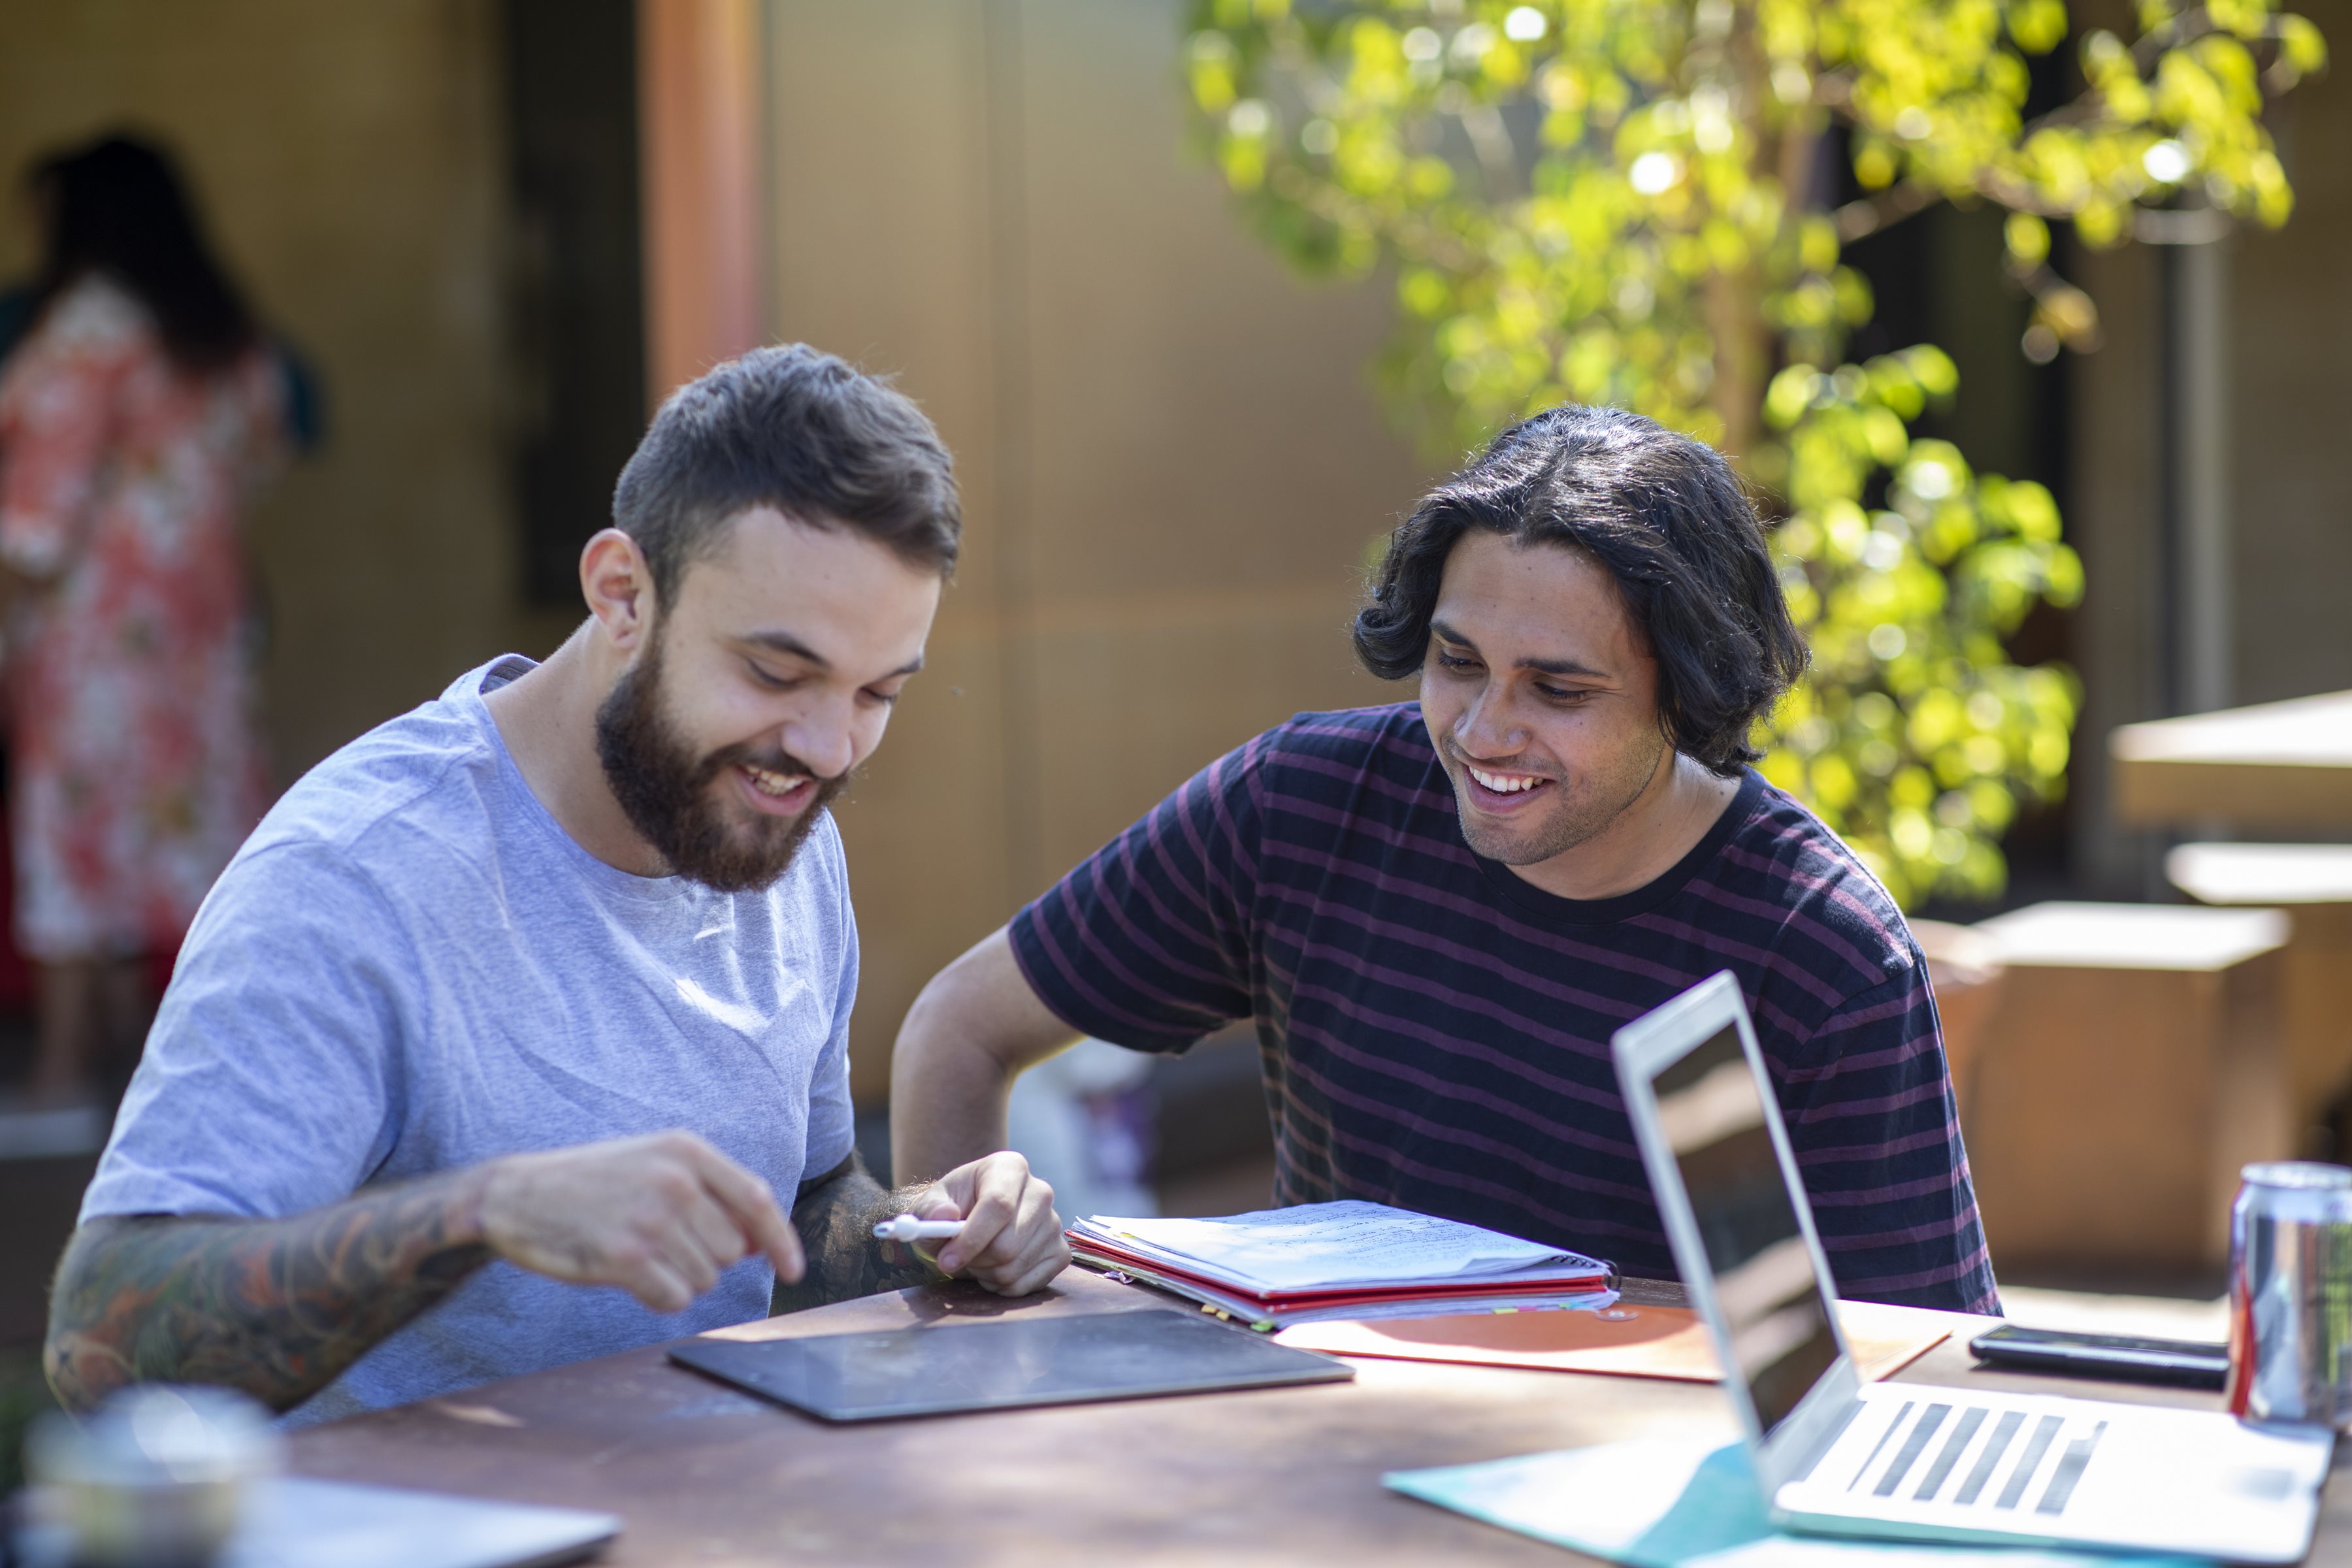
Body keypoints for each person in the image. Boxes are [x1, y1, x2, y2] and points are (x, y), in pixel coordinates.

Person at [44, 344, 1069, 1424]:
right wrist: (480, 1215)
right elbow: (102, 1341)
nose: (823, 747)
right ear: (623, 593)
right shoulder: (355, 876)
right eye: (777, 672)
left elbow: (805, 1208)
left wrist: (929, 1233)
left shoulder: (777, 821)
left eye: (877, 693)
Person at [892, 404, 1999, 1314]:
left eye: (1559, 689)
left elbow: (1930, 1363)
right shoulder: (1306, 806)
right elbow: (961, 1025)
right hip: (1308, 1472)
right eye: (1456, 661)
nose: (1481, 730)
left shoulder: (1823, 952)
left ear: (1688, 692)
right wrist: (970, 1292)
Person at [0, 135, 286, 1103]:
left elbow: (33, 522)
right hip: (206, 629)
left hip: (96, 637)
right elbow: (260, 458)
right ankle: (215, 1078)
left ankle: (58, 1074)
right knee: (202, 835)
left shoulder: (87, 330)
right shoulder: (223, 330)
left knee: (76, 836)